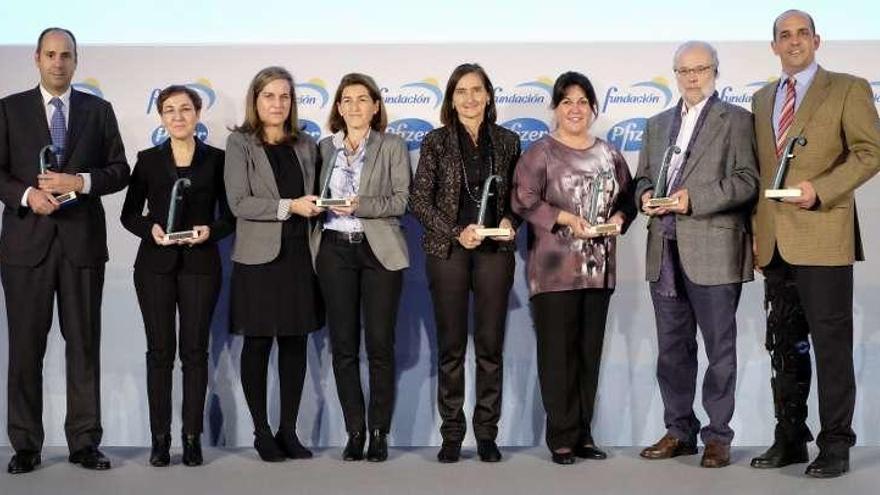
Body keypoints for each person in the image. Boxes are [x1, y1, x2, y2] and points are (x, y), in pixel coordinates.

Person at [749, 10, 880, 478]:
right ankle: (790, 438)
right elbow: (761, 174)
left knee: (830, 347)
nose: (794, 41)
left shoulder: (848, 87)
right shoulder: (762, 98)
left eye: (802, 33)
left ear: (817, 40)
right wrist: (756, 235)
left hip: (823, 235)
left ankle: (836, 444)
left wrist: (821, 189)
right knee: (783, 345)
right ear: (774, 46)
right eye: (784, 35)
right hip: (775, 243)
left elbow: (871, 152)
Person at [0, 27, 129, 474]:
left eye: (66, 55)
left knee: (84, 347)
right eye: (51, 55)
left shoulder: (98, 110)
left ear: (77, 60)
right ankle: (25, 445)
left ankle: (84, 442)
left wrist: (81, 182)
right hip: (25, 248)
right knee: (24, 349)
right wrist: (24, 196)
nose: (58, 62)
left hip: (82, 247)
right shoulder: (9, 109)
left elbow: (120, 170)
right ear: (36, 58)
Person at [633, 41, 759, 468]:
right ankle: (679, 430)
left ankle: (718, 436)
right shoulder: (655, 125)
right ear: (675, 74)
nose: (692, 77)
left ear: (715, 72)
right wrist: (647, 194)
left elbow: (747, 181)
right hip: (663, 251)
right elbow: (642, 179)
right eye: (684, 70)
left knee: (719, 349)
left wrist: (693, 200)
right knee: (672, 349)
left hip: (715, 249)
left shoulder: (738, 120)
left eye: (700, 69)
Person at [512, 71, 635, 465]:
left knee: (587, 355)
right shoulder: (540, 152)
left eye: (583, 101)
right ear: (556, 108)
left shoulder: (609, 154)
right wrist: (565, 218)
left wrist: (619, 218)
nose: (575, 109)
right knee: (557, 356)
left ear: (593, 108)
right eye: (567, 102)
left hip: (599, 271)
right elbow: (523, 201)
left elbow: (629, 200)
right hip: (553, 272)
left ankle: (583, 434)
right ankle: (561, 437)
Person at [410, 63, 520, 463]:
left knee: (490, 347)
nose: (470, 98)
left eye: (477, 90)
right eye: (461, 91)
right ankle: (452, 433)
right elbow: (418, 200)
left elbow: (519, 198)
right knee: (451, 348)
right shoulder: (436, 141)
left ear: (488, 95)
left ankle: (487, 434)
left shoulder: (508, 141)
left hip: (495, 253)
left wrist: (512, 219)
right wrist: (457, 231)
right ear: (451, 98)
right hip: (449, 253)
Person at [120, 85, 234, 467]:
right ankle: (160, 439)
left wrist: (210, 232)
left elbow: (230, 216)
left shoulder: (217, 159)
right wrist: (150, 228)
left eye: (186, 109)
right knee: (159, 354)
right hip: (154, 267)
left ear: (198, 114)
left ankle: (192, 438)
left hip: (201, 265)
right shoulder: (148, 159)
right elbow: (129, 214)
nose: (178, 116)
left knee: (196, 353)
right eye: (170, 110)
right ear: (161, 117)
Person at [224, 66, 324, 463]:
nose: (278, 104)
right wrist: (290, 207)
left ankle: (288, 430)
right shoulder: (240, 143)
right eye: (270, 96)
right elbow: (239, 202)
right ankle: (262, 432)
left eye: (285, 97)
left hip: (301, 255)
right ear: (256, 100)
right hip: (258, 259)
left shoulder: (306, 144)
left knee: (296, 342)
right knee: (259, 342)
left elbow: (317, 195)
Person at [315, 73, 410, 462]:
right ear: (338, 108)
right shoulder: (323, 148)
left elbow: (401, 199)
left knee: (380, 346)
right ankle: (354, 430)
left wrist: (361, 205)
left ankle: (379, 431)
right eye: (347, 100)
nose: (354, 106)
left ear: (375, 106)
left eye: (362, 99)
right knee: (343, 347)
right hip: (334, 251)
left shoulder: (392, 145)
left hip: (378, 251)